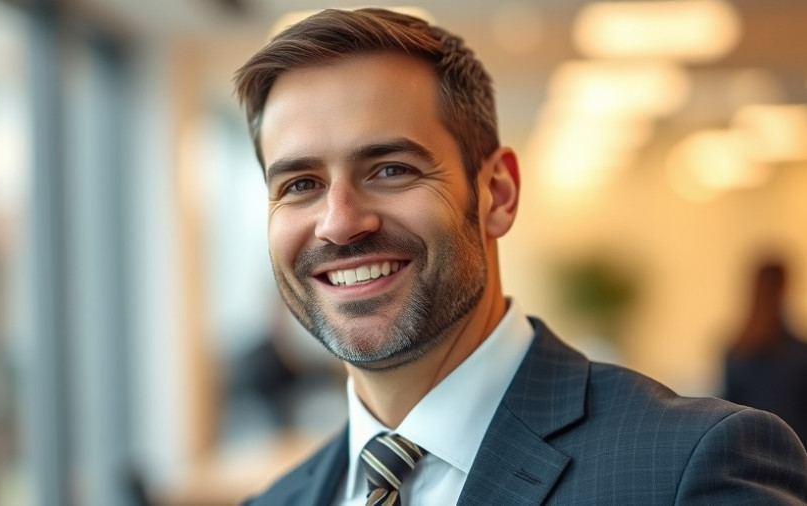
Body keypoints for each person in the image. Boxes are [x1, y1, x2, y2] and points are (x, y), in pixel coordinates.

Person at [233, 8, 807, 505]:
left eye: (390, 170)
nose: (338, 222)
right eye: (301, 184)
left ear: (498, 194)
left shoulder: (693, 469)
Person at [724, 259, 807, 445]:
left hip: (748, 453)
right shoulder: (800, 354)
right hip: (795, 455)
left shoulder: (736, 350)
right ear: (785, 288)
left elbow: (727, 409)